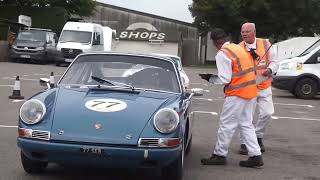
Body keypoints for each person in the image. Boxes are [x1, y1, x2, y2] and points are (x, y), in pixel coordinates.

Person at [199, 28, 263, 168]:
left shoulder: (222, 54)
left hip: (237, 94)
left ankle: (219, 155)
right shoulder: (238, 48)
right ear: (226, 37)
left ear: (215, 42)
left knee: (226, 124)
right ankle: (255, 156)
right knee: (246, 124)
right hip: (250, 91)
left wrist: (210, 78)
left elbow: (225, 78)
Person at [238, 22, 279, 155]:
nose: (244, 34)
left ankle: (257, 137)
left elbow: (275, 61)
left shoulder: (266, 44)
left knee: (267, 113)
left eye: (247, 31)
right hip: (248, 87)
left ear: (254, 32)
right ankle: (244, 142)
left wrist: (270, 69)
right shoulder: (238, 48)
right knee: (246, 117)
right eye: (242, 32)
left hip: (264, 85)